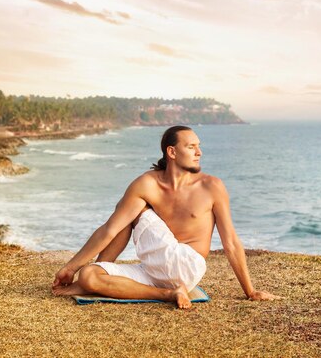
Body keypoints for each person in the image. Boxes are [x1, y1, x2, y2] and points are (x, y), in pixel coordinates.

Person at [52, 125, 282, 308]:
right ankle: (166, 294)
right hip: (153, 270)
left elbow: (230, 242)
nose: (199, 152)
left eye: (198, 146)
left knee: (130, 210)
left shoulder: (211, 186)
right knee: (90, 274)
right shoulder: (149, 183)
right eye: (191, 147)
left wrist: (250, 291)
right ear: (172, 152)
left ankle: (102, 278)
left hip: (186, 265)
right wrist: (74, 269)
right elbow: (108, 230)